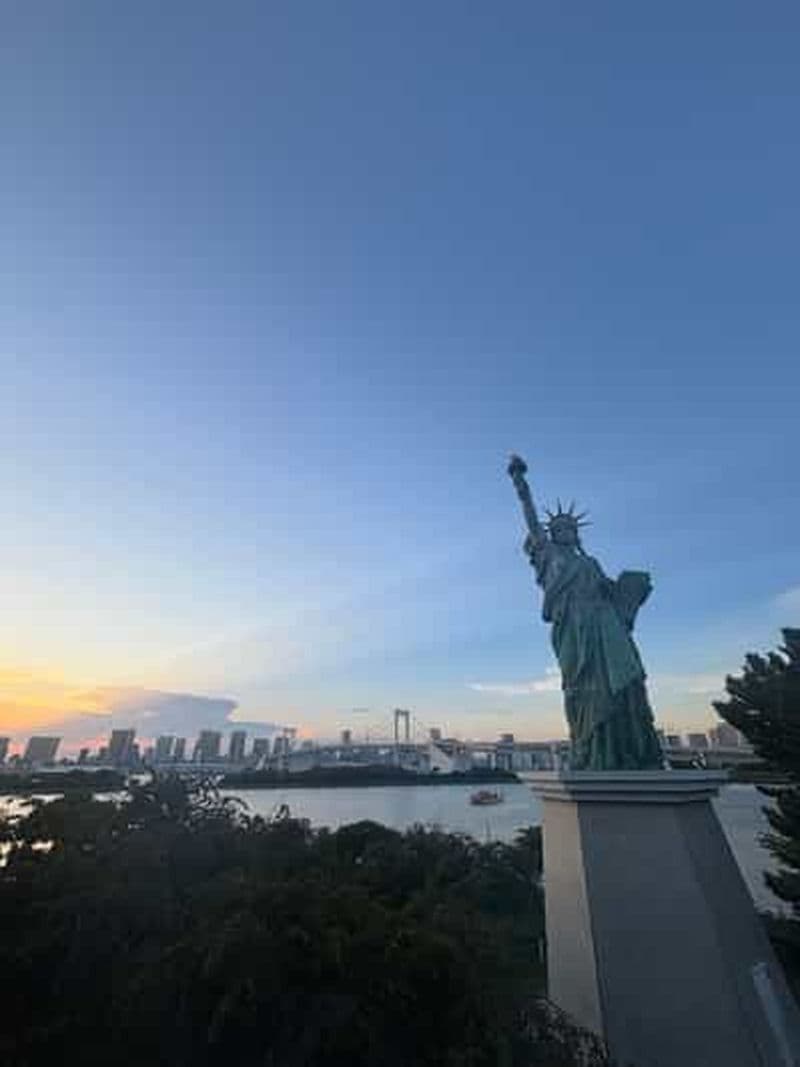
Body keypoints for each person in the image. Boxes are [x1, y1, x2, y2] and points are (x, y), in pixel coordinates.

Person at [508, 455, 663, 770]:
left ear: (576, 533)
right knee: (583, 688)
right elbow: (531, 518)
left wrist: (633, 590)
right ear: (551, 535)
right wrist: (520, 483)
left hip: (605, 626)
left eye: (570, 528)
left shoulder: (590, 563)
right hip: (573, 628)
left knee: (624, 682)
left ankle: (626, 750)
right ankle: (592, 748)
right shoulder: (548, 554)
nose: (565, 531)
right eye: (559, 528)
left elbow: (614, 594)